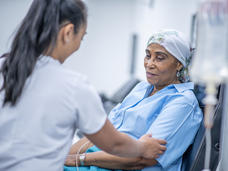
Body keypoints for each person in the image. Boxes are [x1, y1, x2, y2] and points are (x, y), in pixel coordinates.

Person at [0, 0, 167, 171]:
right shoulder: (73, 86)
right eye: (81, 37)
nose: (79, 45)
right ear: (68, 32)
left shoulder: (3, 64)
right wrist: (143, 147)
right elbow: (115, 144)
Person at [64, 29, 203, 171]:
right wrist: (62, 157)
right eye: (148, 55)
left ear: (179, 64)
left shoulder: (182, 103)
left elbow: (142, 158)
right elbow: (103, 134)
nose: (150, 63)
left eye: (159, 58)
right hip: (96, 161)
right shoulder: (141, 88)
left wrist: (78, 160)